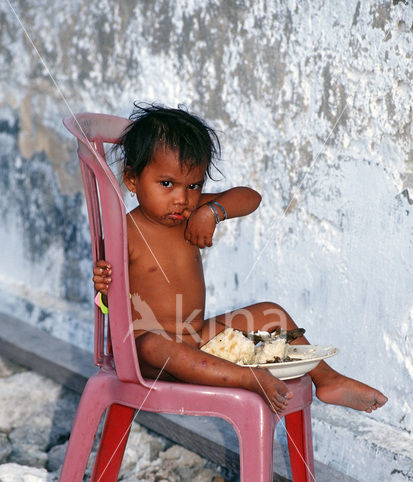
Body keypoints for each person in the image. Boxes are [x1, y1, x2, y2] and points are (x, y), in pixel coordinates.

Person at [93, 104, 387, 415]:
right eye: (167, 184)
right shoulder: (124, 233)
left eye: (193, 185)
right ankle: (247, 378)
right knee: (155, 344)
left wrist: (212, 212)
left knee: (272, 313)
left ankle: (327, 378)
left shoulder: (191, 213)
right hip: (147, 355)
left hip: (197, 339)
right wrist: (102, 284)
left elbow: (250, 196)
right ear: (132, 180)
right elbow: (109, 299)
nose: (181, 198)